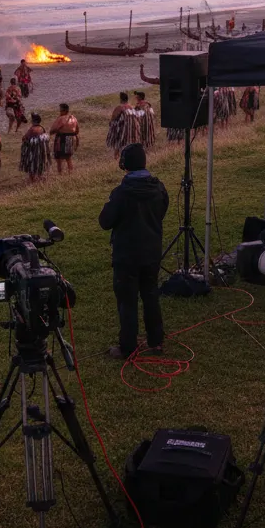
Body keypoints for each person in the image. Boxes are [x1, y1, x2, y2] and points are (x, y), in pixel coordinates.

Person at [98, 143, 170, 359]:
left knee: (127, 301)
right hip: (151, 253)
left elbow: (105, 222)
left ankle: (128, 347)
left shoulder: (121, 193)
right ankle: (156, 342)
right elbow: (161, 212)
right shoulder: (159, 188)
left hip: (126, 255)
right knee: (150, 295)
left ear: (124, 165)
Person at [19, 112, 52, 183]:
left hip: (33, 151)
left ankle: (33, 181)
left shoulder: (32, 129)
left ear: (33, 120)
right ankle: (39, 179)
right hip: (41, 151)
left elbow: (25, 138)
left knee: (32, 166)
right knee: (39, 164)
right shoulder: (42, 128)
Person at [106, 92, 139, 159]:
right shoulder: (131, 108)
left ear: (121, 99)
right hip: (130, 132)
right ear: (127, 99)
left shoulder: (120, 108)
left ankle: (117, 157)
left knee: (118, 145)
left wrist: (111, 124)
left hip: (121, 131)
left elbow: (113, 118)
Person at [49, 103, 80, 174]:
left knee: (58, 159)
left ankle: (60, 174)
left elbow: (52, 131)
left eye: (60, 111)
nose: (59, 112)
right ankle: (70, 173)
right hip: (71, 138)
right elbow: (77, 131)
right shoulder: (74, 118)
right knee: (68, 158)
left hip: (61, 139)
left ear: (63, 111)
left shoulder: (60, 118)